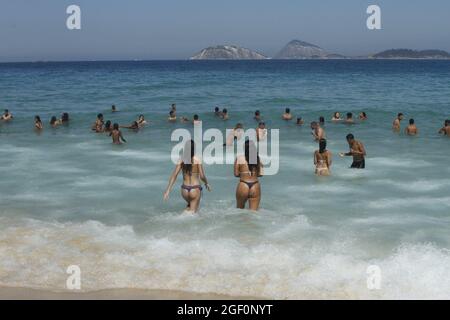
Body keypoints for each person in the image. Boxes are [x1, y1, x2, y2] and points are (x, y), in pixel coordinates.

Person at [163, 140, 211, 213]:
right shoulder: (197, 159)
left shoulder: (181, 160)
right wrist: (206, 183)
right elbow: (202, 176)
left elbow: (174, 175)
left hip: (184, 190)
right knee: (192, 213)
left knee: (190, 207)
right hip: (195, 189)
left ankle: (184, 216)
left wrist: (168, 190)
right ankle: (179, 220)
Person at [234, 140, 263, 211]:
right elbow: (260, 174)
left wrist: (244, 174)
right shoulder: (257, 158)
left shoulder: (239, 158)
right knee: (253, 213)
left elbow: (236, 174)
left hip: (243, 185)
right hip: (255, 185)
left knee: (239, 211)